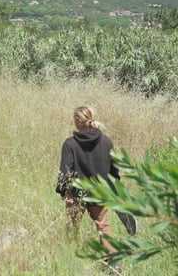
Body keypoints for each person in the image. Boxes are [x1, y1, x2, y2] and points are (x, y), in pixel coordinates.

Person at [55, 106, 121, 270]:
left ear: (78, 121)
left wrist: (64, 192)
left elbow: (65, 171)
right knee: (103, 227)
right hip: (100, 193)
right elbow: (115, 169)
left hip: (77, 194)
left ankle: (69, 258)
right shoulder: (106, 142)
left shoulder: (70, 144)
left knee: (72, 225)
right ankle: (113, 263)